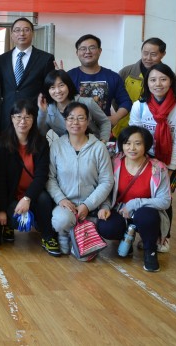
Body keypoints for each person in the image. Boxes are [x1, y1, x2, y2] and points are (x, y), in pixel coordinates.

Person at [130, 63, 176, 251]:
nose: (157, 84)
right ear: (147, 83)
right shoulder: (140, 106)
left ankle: (163, 237)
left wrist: (169, 168)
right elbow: (135, 135)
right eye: (152, 80)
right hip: (147, 157)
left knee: (163, 196)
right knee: (145, 194)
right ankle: (147, 234)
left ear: (171, 81)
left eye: (163, 79)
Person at [97, 126, 171, 272]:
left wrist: (135, 203)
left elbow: (165, 201)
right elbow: (105, 190)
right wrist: (105, 207)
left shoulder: (158, 168)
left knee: (146, 216)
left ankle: (150, 251)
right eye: (127, 143)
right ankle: (126, 238)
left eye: (138, 143)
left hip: (145, 211)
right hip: (120, 210)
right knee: (106, 226)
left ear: (146, 146)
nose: (132, 148)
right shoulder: (114, 162)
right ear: (121, 145)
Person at [47, 102, 114, 255]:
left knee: (106, 227)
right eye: (71, 118)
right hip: (66, 205)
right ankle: (65, 234)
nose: (75, 122)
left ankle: (84, 231)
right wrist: (61, 199)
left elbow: (107, 181)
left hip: (93, 205)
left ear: (88, 121)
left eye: (80, 118)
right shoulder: (56, 146)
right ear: (65, 121)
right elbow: (50, 178)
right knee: (61, 220)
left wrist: (87, 205)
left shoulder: (99, 147)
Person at [0, 100, 60, 256]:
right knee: (13, 218)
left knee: (44, 198)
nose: (22, 121)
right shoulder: (2, 143)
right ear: (12, 118)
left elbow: (41, 176)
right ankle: (9, 225)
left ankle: (47, 236)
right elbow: (0, 179)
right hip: (12, 196)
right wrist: (1, 209)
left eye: (27, 117)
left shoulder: (41, 142)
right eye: (18, 117)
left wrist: (27, 198)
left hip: (34, 194)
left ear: (33, 119)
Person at [0, 17, 55, 130]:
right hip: (7, 115)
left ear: (33, 33)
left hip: (32, 115)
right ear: (12, 34)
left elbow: (48, 88)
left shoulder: (46, 58)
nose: (22, 33)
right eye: (17, 30)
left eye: (26, 30)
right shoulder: (1, 59)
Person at [67, 34, 132, 129]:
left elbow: (126, 102)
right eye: (83, 48)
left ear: (100, 51)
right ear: (77, 53)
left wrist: (116, 117)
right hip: (75, 130)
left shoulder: (113, 77)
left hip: (103, 130)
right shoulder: (69, 76)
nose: (87, 52)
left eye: (92, 48)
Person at [37, 70, 111, 142]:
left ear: (68, 86)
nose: (57, 91)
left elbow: (104, 122)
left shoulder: (87, 102)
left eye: (61, 85)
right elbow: (42, 132)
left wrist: (103, 141)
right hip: (67, 148)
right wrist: (42, 112)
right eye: (52, 87)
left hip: (93, 145)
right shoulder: (48, 110)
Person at [115, 37, 167, 137]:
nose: (148, 58)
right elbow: (115, 98)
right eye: (145, 53)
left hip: (155, 127)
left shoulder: (166, 75)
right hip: (125, 126)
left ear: (163, 54)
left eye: (153, 54)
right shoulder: (127, 72)